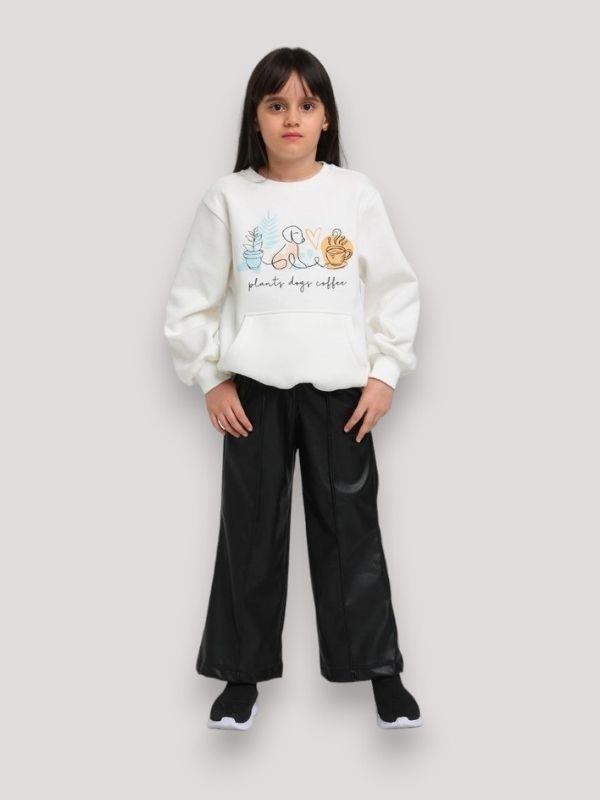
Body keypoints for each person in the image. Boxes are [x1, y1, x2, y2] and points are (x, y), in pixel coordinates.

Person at [163, 46, 422, 731]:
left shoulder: (354, 194)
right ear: (255, 116)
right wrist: (210, 379)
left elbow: (395, 289)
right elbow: (190, 302)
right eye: (276, 104)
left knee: (351, 531)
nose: (291, 118)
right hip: (254, 395)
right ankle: (241, 674)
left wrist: (384, 373)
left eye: (306, 104)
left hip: (341, 396)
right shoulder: (229, 198)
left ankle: (379, 670)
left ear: (326, 117)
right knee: (249, 534)